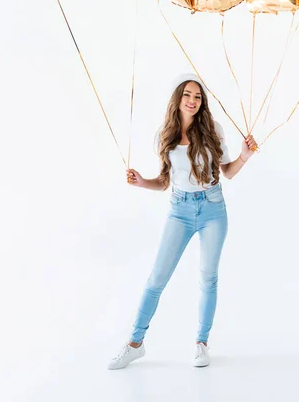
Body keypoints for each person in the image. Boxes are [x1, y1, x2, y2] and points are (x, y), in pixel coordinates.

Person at [107, 73, 257, 369]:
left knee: (207, 277)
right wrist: (141, 183)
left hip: (213, 208)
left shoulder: (213, 130)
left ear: (202, 103)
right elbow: (164, 182)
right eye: (188, 95)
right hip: (180, 210)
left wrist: (244, 156)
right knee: (156, 279)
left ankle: (201, 343)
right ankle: (135, 343)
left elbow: (227, 172)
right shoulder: (165, 134)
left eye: (198, 97)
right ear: (178, 99)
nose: (192, 101)